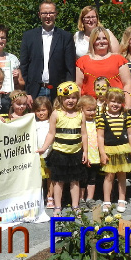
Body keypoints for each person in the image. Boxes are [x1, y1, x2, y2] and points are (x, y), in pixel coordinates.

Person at [37, 82, 87, 217]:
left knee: (75, 181)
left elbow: (84, 134)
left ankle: (75, 205)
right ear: (60, 99)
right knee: (58, 181)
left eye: (73, 97)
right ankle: (57, 206)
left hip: (75, 153)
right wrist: (44, 148)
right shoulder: (56, 114)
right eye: (67, 98)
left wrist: (86, 152)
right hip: (60, 153)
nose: (70, 100)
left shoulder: (80, 114)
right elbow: (51, 134)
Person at [20, 0, 76, 100]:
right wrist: (27, 92)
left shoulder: (66, 37)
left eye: (51, 13)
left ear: (56, 14)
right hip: (34, 91)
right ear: (39, 15)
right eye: (44, 13)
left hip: (59, 91)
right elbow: (24, 66)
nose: (48, 16)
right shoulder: (28, 36)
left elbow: (70, 68)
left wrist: (67, 92)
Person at [97, 88, 131, 213]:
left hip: (123, 149)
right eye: (113, 101)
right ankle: (107, 201)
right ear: (107, 101)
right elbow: (100, 136)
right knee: (109, 176)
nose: (116, 104)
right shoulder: (102, 118)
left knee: (122, 176)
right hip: (109, 150)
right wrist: (102, 153)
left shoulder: (126, 116)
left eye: (119, 102)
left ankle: (122, 199)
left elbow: (130, 134)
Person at [76, 26, 131, 107]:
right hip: (90, 108)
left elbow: (127, 84)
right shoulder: (82, 61)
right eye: (97, 39)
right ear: (92, 41)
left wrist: (127, 106)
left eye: (104, 38)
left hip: (116, 107)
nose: (101, 41)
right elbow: (78, 86)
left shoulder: (119, 59)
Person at [77, 95, 100, 211]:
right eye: (89, 110)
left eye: (94, 109)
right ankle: (81, 198)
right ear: (81, 109)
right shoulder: (80, 123)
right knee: (82, 178)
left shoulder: (97, 122)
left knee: (92, 178)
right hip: (84, 154)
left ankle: (90, 198)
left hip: (95, 154)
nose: (92, 112)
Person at [33, 97, 54, 208]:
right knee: (38, 177)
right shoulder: (33, 123)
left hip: (50, 153)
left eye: (43, 110)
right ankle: (39, 197)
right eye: (38, 111)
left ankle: (50, 196)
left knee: (50, 176)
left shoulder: (51, 122)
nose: (41, 113)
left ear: (49, 109)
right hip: (37, 154)